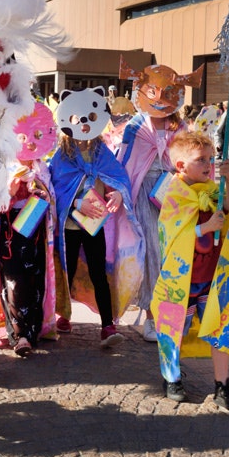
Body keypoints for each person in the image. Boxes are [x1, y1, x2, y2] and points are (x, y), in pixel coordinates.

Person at [153, 131, 229, 410]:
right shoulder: (175, 194)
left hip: (212, 280)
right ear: (181, 166)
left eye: (210, 158)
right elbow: (169, 233)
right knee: (174, 330)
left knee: (221, 327)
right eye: (200, 160)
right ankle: (171, 377)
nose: (209, 164)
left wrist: (228, 178)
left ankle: (222, 385)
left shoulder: (212, 189)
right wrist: (205, 227)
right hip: (181, 282)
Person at [49, 87, 144, 348]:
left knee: (99, 273)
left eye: (89, 116)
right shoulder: (61, 155)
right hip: (70, 226)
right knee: (65, 272)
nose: (83, 122)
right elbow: (55, 187)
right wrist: (77, 201)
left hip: (94, 226)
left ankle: (107, 324)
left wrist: (118, 195)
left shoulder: (102, 152)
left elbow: (119, 176)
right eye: (77, 117)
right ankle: (62, 314)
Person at [116, 61, 200, 342]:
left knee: (173, 255)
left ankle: (173, 313)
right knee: (153, 255)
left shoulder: (181, 125)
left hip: (174, 195)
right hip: (144, 196)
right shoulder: (135, 126)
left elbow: (191, 159)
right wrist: (117, 191)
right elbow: (123, 163)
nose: (160, 101)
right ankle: (152, 318)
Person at [0, 102, 60, 356]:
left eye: (37, 136)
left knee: (35, 279)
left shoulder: (42, 166)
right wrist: (11, 190)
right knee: (13, 281)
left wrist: (40, 191)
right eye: (23, 136)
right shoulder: (3, 165)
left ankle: (33, 330)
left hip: (36, 229)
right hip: (10, 229)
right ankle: (18, 334)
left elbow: (51, 196)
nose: (30, 142)